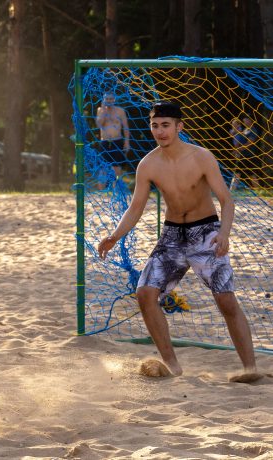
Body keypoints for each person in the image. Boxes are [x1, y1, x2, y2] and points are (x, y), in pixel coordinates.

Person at [97, 100, 262, 383]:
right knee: (145, 294)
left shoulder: (201, 157)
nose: (160, 131)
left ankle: (250, 368)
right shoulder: (147, 164)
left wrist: (223, 233)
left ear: (178, 127)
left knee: (225, 300)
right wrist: (115, 235)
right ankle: (171, 364)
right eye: (155, 126)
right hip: (172, 237)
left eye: (166, 125)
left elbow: (226, 200)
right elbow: (136, 207)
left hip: (206, 234)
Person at [95, 92, 130, 188]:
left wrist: (127, 142)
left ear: (114, 100)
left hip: (117, 140)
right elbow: (99, 124)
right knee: (103, 167)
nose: (109, 101)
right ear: (104, 99)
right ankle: (101, 191)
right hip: (104, 141)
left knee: (117, 168)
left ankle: (117, 190)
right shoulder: (100, 110)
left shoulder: (120, 111)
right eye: (107, 99)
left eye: (111, 99)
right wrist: (104, 112)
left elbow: (126, 127)